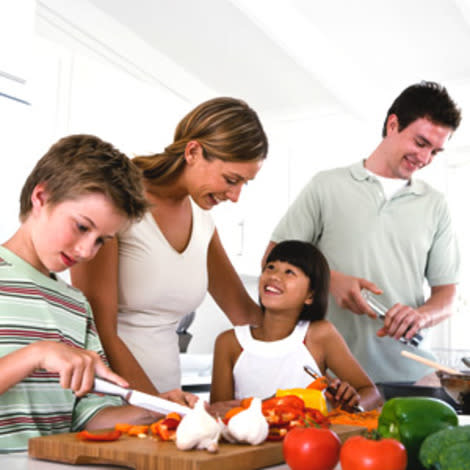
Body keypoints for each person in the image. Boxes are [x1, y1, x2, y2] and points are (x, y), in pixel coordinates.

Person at [0, 134, 197, 452]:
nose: (87, 251)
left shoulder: (76, 305)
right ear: (41, 196)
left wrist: (153, 409)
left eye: (102, 240)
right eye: (81, 227)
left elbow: (85, 416)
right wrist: (36, 354)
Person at [263, 81, 462, 383]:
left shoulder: (435, 205)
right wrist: (331, 280)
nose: (425, 158)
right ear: (393, 124)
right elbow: (273, 260)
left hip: (409, 375)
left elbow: (447, 295)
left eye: (435, 151)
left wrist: (422, 316)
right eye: (420, 143)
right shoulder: (326, 186)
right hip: (327, 375)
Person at [71, 97, 269, 395]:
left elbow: (245, 315)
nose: (235, 195)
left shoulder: (202, 219)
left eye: (244, 183)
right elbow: (100, 330)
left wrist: (320, 350)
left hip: (166, 395)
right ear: (193, 151)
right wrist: (156, 406)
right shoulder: (116, 198)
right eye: (231, 179)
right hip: (109, 396)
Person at [210, 241, 381, 411]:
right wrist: (271, 404)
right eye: (270, 267)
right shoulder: (229, 342)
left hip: (309, 437)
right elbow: (217, 413)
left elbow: (371, 393)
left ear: (310, 295)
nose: (274, 276)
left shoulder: (319, 335)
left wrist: (353, 405)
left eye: (289, 272)